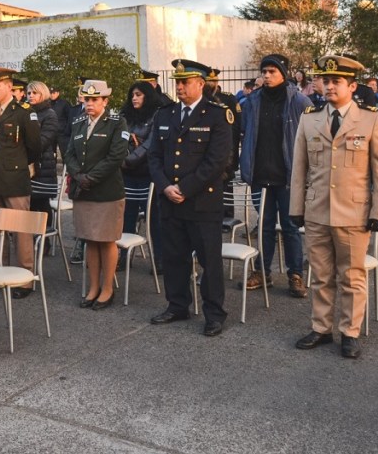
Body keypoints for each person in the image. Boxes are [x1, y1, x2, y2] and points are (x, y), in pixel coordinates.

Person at [290, 55, 378, 359]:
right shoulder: (310, 118)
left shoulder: (371, 118)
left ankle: (350, 332)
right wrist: (297, 208)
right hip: (318, 211)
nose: (329, 86)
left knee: (351, 276)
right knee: (320, 275)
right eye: (326, 80)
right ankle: (321, 328)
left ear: (352, 85)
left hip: (353, 212)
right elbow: (299, 168)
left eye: (336, 81)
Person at [148, 59, 233, 337]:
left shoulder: (217, 115)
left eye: (185, 82)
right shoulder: (165, 114)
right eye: (177, 82)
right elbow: (154, 156)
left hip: (202, 202)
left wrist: (183, 188)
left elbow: (217, 162)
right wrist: (164, 187)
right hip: (170, 201)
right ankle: (177, 305)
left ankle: (214, 313)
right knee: (174, 256)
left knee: (209, 260)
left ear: (200, 84)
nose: (180, 87)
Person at [238, 54, 312, 297]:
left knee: (290, 227)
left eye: (272, 71)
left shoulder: (299, 101)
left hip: (288, 176)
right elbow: (244, 133)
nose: (267, 76)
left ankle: (295, 274)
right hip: (261, 175)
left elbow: (309, 139)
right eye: (264, 71)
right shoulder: (251, 102)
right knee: (264, 226)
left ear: (283, 73)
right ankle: (262, 272)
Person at [66, 80, 129, 309]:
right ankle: (93, 287)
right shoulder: (79, 122)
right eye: (87, 99)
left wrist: (91, 177)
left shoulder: (116, 123)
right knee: (89, 241)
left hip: (106, 191)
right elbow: (69, 153)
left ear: (105, 100)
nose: (89, 104)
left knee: (106, 240)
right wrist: (78, 175)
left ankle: (108, 288)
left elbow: (116, 157)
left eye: (95, 99)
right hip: (83, 190)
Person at [0, 67, 41, 294]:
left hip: (15, 178)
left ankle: (25, 278)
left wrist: (25, 165)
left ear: (9, 86)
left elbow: (34, 147)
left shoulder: (24, 111)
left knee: (21, 231)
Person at [119, 80, 161, 266]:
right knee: (127, 216)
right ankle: (123, 256)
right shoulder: (125, 115)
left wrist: (128, 160)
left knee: (153, 218)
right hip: (127, 173)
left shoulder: (156, 115)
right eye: (132, 95)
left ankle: (159, 258)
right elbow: (118, 139)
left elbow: (149, 144)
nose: (134, 98)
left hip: (147, 173)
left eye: (139, 95)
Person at [26, 81, 59, 233]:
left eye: (34, 93)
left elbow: (44, 141)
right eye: (29, 93)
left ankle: (44, 241)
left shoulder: (49, 114)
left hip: (42, 166)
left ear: (43, 94)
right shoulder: (25, 111)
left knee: (41, 202)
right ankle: (31, 237)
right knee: (30, 204)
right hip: (27, 164)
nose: (30, 95)